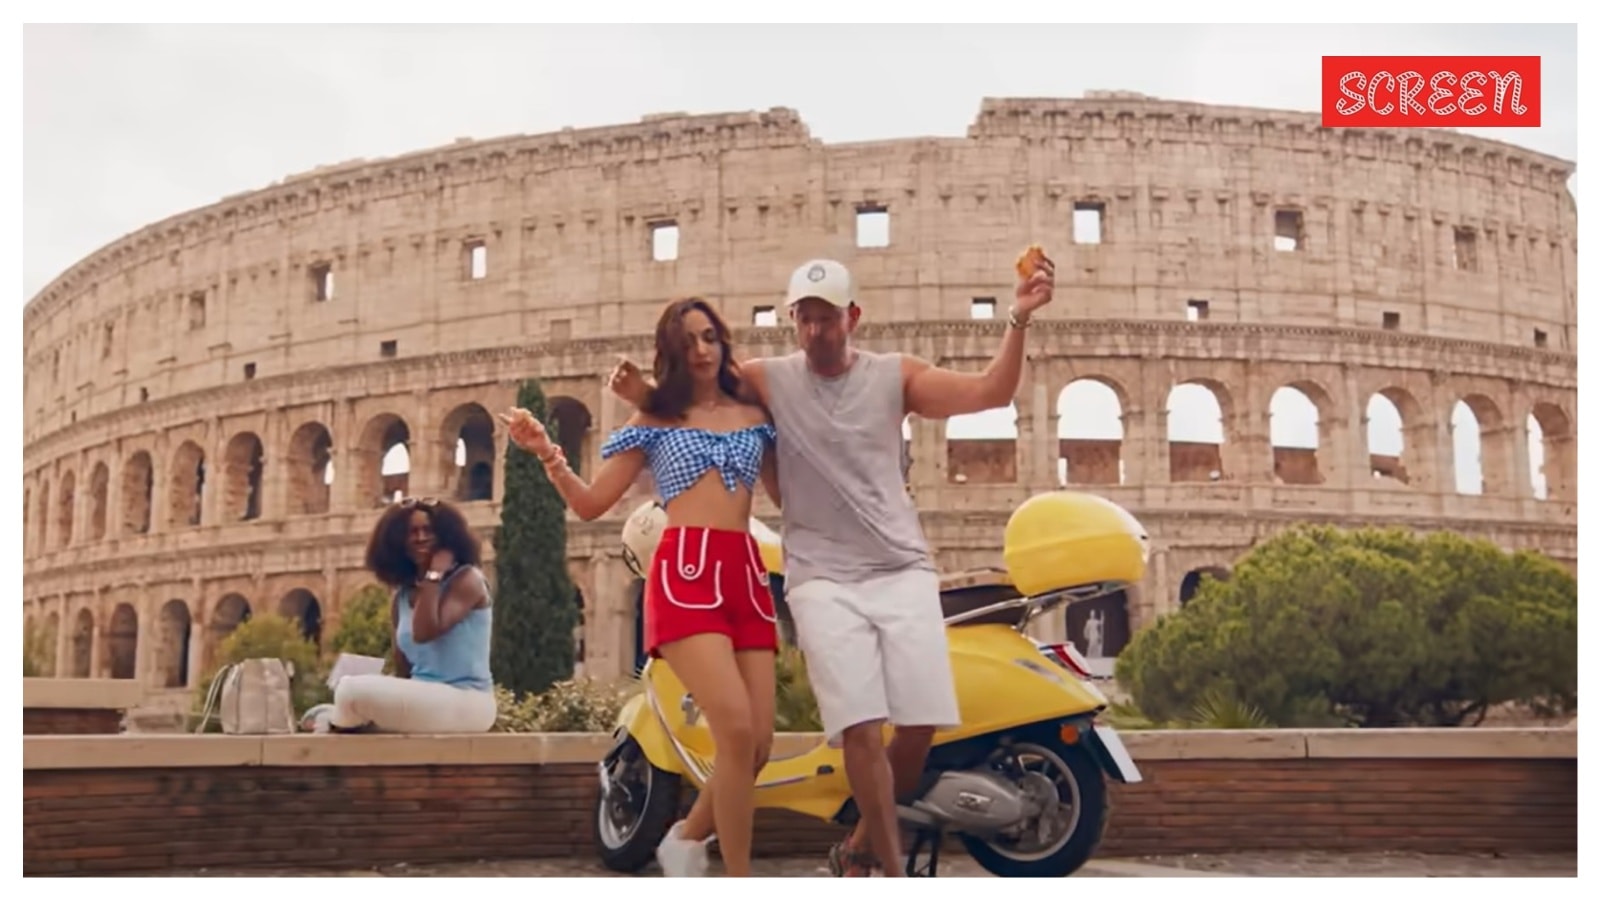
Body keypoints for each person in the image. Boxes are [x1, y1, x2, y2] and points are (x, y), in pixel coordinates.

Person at [610, 253, 1055, 876]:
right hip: (820, 574)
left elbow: (991, 392)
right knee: (861, 730)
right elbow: (697, 387)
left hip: (900, 565)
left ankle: (859, 847)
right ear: (792, 319)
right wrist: (644, 397)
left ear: (853, 316)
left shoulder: (895, 375)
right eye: (805, 318)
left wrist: (1019, 317)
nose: (816, 330)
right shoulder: (768, 378)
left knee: (920, 726)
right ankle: (890, 876)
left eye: (827, 317)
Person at [500, 297, 782, 879]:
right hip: (687, 571)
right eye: (688, 342)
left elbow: (789, 494)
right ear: (671, 353)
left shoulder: (754, 412)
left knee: (758, 745)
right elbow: (591, 504)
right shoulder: (653, 421)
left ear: (724, 341)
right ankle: (740, 879)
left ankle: (685, 837)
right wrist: (548, 452)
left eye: (709, 337)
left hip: (746, 570)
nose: (702, 350)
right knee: (733, 731)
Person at [304, 496, 498, 734]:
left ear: (446, 536)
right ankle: (344, 721)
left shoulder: (467, 580)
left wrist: (434, 574)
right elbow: (404, 670)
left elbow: (424, 632)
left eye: (428, 530)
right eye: (411, 532)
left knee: (350, 690)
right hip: (424, 701)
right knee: (348, 688)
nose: (420, 537)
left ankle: (334, 721)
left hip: (468, 700)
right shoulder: (402, 597)